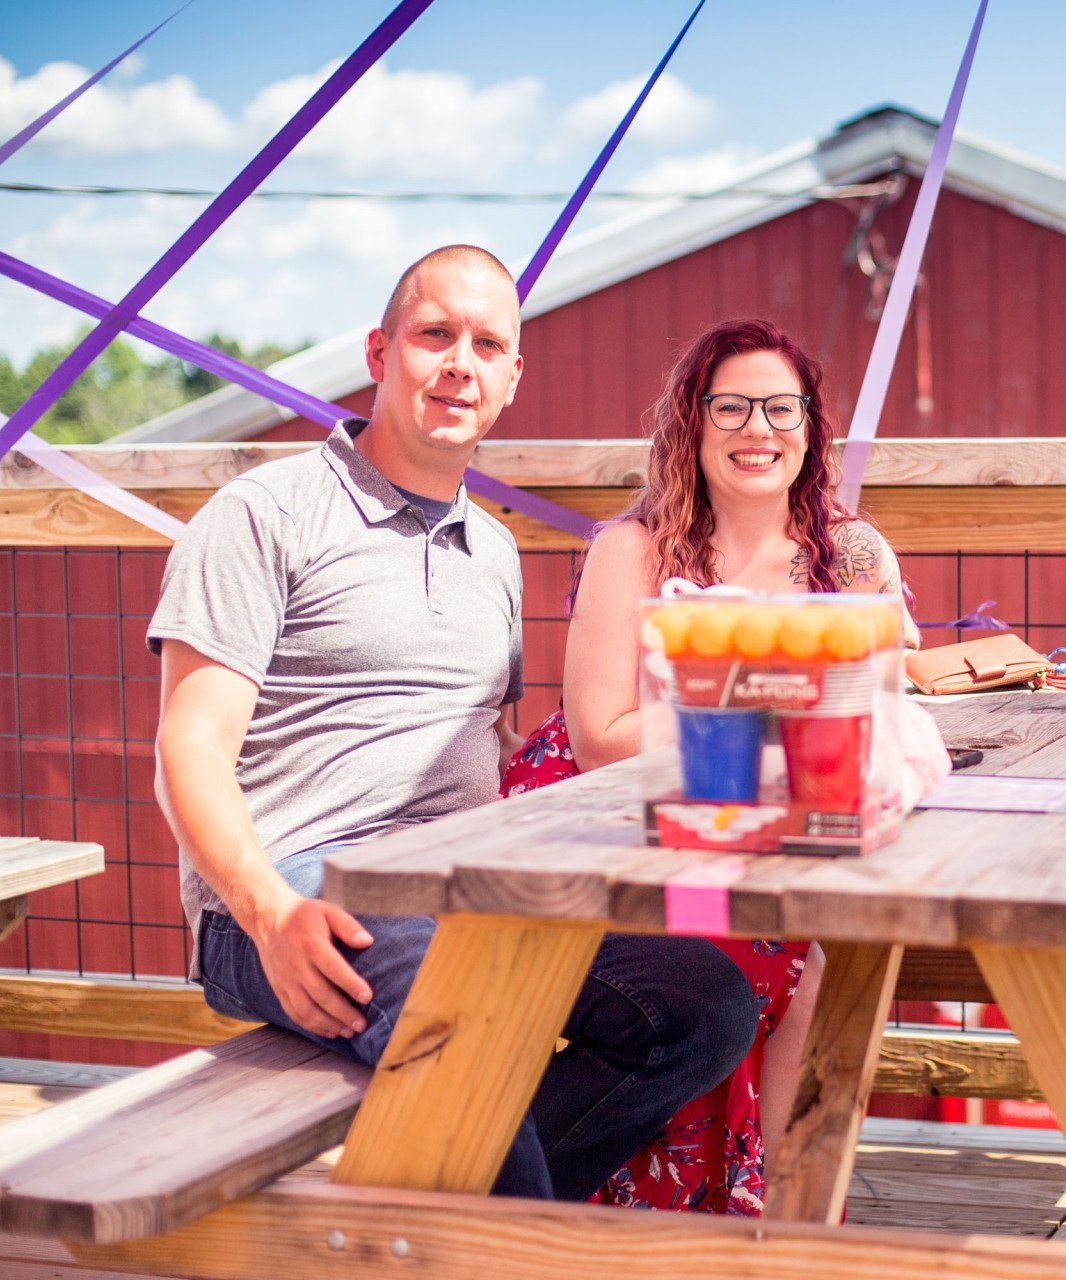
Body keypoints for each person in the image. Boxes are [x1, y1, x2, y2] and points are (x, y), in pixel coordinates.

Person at [148, 245, 760, 1202]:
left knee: (702, 1005)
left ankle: (454, 1226)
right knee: (461, 1002)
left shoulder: (495, 552)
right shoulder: (263, 514)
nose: (458, 363)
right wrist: (270, 915)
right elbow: (188, 751)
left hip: (464, 883)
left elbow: (493, 748)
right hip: (289, 896)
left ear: (513, 378)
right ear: (380, 352)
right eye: (434, 335)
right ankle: (500, 1246)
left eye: (486, 344)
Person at [502, 316, 917, 1215]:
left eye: (779, 408)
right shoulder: (634, 548)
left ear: (810, 426)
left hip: (771, 823)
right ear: (691, 423)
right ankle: (672, 1207)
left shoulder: (850, 557)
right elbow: (606, 732)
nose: (756, 430)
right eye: (729, 408)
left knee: (829, 949)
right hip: (620, 829)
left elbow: (876, 716)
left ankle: (779, 1217)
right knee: (740, 949)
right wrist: (785, 703)